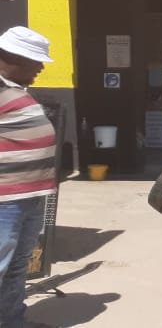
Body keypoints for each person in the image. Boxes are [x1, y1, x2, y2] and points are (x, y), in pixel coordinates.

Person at [0, 26, 58, 328]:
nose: (39, 68)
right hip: (5, 201)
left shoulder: (13, 87)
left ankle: (12, 321)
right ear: (14, 56)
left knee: (18, 266)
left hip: (31, 196)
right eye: (36, 62)